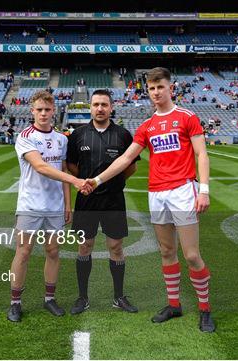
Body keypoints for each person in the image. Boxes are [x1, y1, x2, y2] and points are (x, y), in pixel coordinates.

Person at [84, 67, 215, 332]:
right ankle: (174, 304)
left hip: (182, 190)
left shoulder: (187, 117)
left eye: (160, 87)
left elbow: (201, 154)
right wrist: (97, 180)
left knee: (191, 254)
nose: (156, 92)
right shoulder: (147, 126)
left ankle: (205, 309)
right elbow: (125, 159)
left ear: (170, 88)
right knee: (167, 252)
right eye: (151, 88)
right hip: (157, 193)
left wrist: (204, 190)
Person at [7, 90, 92, 323]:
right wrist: (76, 182)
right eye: (39, 110)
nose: (43, 113)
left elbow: (62, 171)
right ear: (32, 111)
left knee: (53, 252)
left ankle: (49, 299)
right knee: (23, 253)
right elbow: (41, 167)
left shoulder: (62, 139)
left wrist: (68, 204)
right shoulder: (25, 136)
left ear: (54, 111)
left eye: (47, 109)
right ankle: (15, 303)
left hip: (55, 207)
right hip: (29, 205)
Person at [66, 90, 140, 315]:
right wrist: (88, 185)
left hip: (113, 200)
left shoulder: (124, 135)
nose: (100, 108)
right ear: (90, 107)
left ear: (111, 107)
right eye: (96, 104)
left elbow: (131, 167)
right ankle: (82, 297)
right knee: (84, 246)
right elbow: (71, 166)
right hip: (86, 201)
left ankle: (118, 297)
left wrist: (112, 183)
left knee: (116, 247)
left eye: (104, 105)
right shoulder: (77, 135)